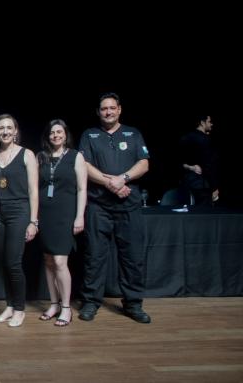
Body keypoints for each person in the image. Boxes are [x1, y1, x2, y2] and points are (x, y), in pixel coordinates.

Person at [78, 92, 151, 323]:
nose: (108, 112)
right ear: (98, 112)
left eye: (112, 108)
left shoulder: (133, 133)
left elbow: (144, 164)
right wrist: (111, 183)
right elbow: (84, 165)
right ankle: (91, 302)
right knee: (94, 257)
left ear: (119, 109)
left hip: (129, 206)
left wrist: (123, 178)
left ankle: (133, 304)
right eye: (103, 109)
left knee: (132, 257)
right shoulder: (89, 135)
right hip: (98, 205)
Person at [0, 114, 39, 328]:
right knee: (3, 262)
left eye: (9, 128)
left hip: (19, 211)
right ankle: (9, 306)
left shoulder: (27, 154)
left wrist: (33, 221)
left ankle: (19, 309)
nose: (5, 131)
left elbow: (33, 190)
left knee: (14, 263)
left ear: (15, 131)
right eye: (1, 128)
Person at [37, 119, 87, 327]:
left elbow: (82, 189)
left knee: (59, 261)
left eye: (59, 132)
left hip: (65, 214)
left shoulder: (76, 156)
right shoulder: (41, 157)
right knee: (48, 260)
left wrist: (80, 216)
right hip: (44, 214)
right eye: (52, 132)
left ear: (65, 135)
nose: (55, 135)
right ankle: (54, 304)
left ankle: (66, 307)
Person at [179, 115, 219, 208]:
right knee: (204, 212)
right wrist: (214, 187)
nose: (211, 124)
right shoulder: (205, 140)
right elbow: (209, 166)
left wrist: (190, 167)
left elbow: (179, 161)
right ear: (202, 122)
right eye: (209, 122)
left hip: (187, 183)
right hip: (202, 184)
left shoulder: (185, 137)